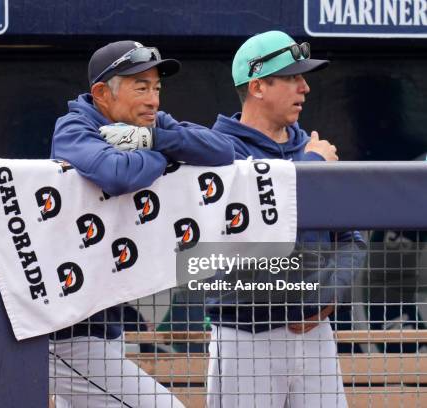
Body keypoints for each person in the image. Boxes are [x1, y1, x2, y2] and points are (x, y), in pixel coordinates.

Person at [49, 40, 235, 407]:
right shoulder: (73, 128)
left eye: (157, 88)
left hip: (103, 324)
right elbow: (116, 172)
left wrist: (153, 138)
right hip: (63, 333)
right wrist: (164, 158)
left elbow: (222, 150)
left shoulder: (148, 125)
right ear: (102, 93)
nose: (154, 100)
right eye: (141, 87)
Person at [207, 31, 366, 407]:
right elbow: (236, 247)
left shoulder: (311, 147)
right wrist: (309, 168)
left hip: (315, 332)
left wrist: (323, 299)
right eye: (293, 77)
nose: (305, 87)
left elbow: (352, 239)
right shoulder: (217, 150)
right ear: (258, 86)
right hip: (246, 334)